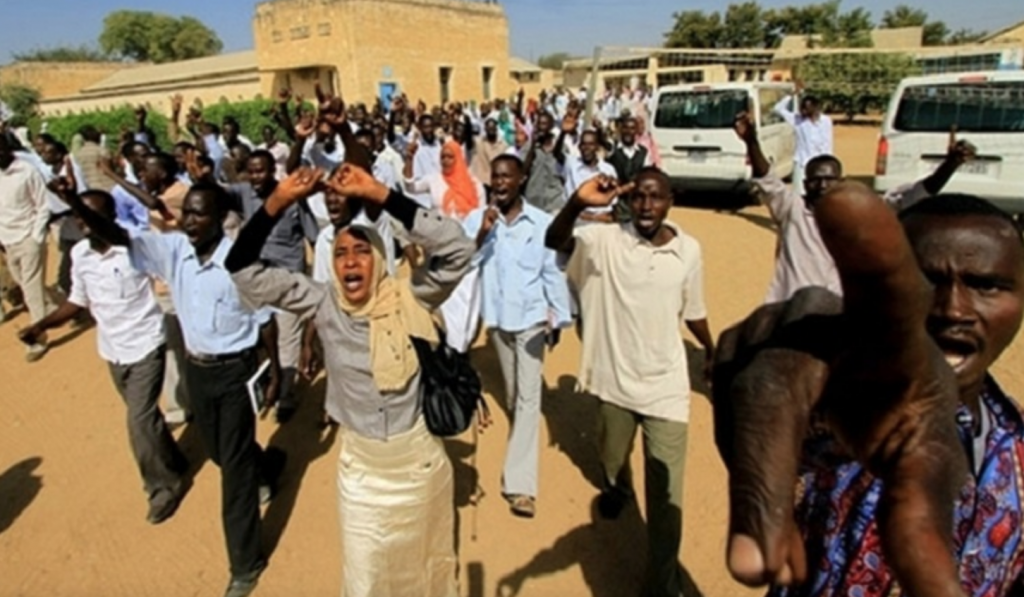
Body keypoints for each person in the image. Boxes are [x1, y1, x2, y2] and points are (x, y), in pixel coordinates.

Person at [711, 183, 1024, 597]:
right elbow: (802, 434)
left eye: (985, 285)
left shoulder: (1017, 450)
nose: (953, 309)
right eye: (926, 281)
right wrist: (784, 349)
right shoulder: (845, 418)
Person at [225, 164, 473, 597]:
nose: (351, 261)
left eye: (362, 251)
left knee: (428, 571)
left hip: (418, 466)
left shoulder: (410, 296)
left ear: (378, 260)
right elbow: (242, 269)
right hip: (362, 475)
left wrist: (379, 193)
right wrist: (278, 202)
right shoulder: (323, 303)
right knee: (365, 581)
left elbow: (458, 250)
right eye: (340, 254)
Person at [70, 179, 283, 597]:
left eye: (199, 213)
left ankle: (245, 563)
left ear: (221, 219)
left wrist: (276, 371)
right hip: (197, 371)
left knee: (234, 475)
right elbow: (117, 234)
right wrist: (70, 201)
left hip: (236, 372)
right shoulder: (172, 250)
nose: (189, 221)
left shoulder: (240, 260)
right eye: (186, 212)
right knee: (222, 452)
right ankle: (267, 464)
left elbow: (266, 320)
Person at [546, 169, 716, 597]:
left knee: (666, 501)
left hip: (666, 390)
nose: (645, 205)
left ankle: (660, 585)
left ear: (670, 200)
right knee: (610, 454)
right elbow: (555, 240)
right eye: (638, 196)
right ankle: (619, 486)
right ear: (627, 199)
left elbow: (692, 309)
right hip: (613, 384)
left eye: (655, 197)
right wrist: (578, 203)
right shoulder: (604, 242)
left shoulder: (688, 251)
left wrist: (711, 348)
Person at [19, 178, 187, 524]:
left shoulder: (134, 247)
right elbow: (76, 302)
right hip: (113, 351)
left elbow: (172, 273)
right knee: (145, 418)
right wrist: (42, 325)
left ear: (110, 218)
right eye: (78, 219)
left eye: (89, 217)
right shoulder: (80, 255)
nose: (82, 224)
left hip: (146, 345)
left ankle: (162, 487)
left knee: (138, 421)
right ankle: (173, 459)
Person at [736, 113, 976, 304]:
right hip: (789, 310)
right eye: (815, 180)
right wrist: (751, 141)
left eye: (829, 179)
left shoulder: (863, 212)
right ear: (805, 184)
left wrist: (951, 164)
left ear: (841, 181)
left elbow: (917, 194)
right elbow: (767, 179)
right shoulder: (792, 208)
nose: (822, 185)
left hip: (843, 313)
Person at [463, 155, 571, 518]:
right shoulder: (481, 220)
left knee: (528, 400)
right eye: (495, 177)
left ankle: (520, 486)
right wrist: (481, 231)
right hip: (497, 322)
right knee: (515, 393)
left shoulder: (541, 224)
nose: (500, 183)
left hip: (532, 320)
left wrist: (557, 319)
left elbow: (551, 272)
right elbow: (464, 262)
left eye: (507, 176)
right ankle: (520, 431)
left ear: (521, 180)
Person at [235, 150, 319, 423]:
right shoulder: (243, 194)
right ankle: (269, 382)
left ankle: (286, 394)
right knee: (263, 334)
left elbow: (313, 237)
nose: (256, 176)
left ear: (273, 171)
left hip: (287, 278)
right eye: (251, 171)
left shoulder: (292, 199)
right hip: (258, 278)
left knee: (287, 337)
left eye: (261, 171)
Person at [404, 140, 485, 353]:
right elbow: (409, 185)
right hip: (438, 251)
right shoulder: (434, 180)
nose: (446, 160)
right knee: (444, 302)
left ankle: (461, 347)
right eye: (443, 157)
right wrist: (409, 158)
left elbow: (480, 218)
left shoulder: (475, 185)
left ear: (459, 158)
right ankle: (449, 346)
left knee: (466, 302)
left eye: (450, 156)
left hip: (465, 252)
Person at [0, 134, 52, 360]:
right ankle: (50, 308)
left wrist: (36, 236)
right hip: (7, 240)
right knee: (22, 282)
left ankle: (37, 338)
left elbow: (43, 205)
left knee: (30, 289)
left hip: (28, 236)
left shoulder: (26, 171)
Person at [773, 89, 833, 195]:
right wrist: (791, 94)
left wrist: (828, 161)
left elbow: (828, 143)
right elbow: (778, 109)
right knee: (800, 193)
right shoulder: (797, 119)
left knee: (820, 192)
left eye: (808, 108)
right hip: (801, 162)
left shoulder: (826, 121)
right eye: (803, 108)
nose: (804, 111)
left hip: (819, 164)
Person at [561, 128, 619, 224]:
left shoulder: (608, 170)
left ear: (597, 147)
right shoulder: (571, 165)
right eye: (584, 144)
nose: (586, 148)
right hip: (577, 219)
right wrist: (563, 132)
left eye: (591, 144)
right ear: (579, 147)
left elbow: (613, 205)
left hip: (601, 220)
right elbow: (556, 154)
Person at [605, 116, 653, 222]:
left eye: (632, 128)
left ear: (636, 131)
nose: (628, 131)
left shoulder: (643, 152)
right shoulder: (613, 149)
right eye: (625, 128)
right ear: (621, 129)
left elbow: (646, 175)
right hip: (617, 201)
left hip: (636, 201)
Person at [523, 112, 569, 215]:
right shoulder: (529, 146)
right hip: (533, 201)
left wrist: (563, 133)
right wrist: (532, 145)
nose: (541, 127)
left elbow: (564, 164)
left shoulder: (561, 146)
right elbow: (523, 171)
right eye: (539, 124)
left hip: (554, 201)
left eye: (544, 124)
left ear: (551, 126)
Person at [469, 118, 510, 189]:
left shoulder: (503, 146)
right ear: (485, 129)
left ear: (496, 129)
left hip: (496, 183)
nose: (491, 129)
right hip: (481, 182)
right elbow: (469, 139)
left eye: (493, 127)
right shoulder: (479, 142)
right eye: (489, 128)